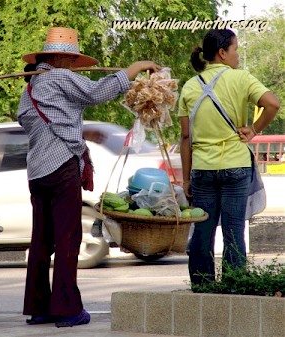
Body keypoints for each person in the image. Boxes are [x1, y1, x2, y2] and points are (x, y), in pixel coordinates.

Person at [17, 26, 161, 327]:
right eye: (70, 60)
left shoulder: (30, 88)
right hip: (61, 168)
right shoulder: (58, 76)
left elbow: (27, 121)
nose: (72, 65)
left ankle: (39, 307)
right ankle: (67, 310)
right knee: (69, 238)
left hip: (37, 171)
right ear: (59, 57)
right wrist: (133, 70)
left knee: (42, 240)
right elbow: (97, 92)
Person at [178, 29, 280, 289]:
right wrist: (254, 129)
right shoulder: (241, 78)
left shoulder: (190, 86)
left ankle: (202, 287)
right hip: (236, 165)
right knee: (234, 229)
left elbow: (186, 138)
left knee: (202, 230)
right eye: (235, 50)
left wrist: (186, 180)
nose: (237, 56)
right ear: (222, 53)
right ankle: (233, 289)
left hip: (201, 169)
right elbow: (273, 104)